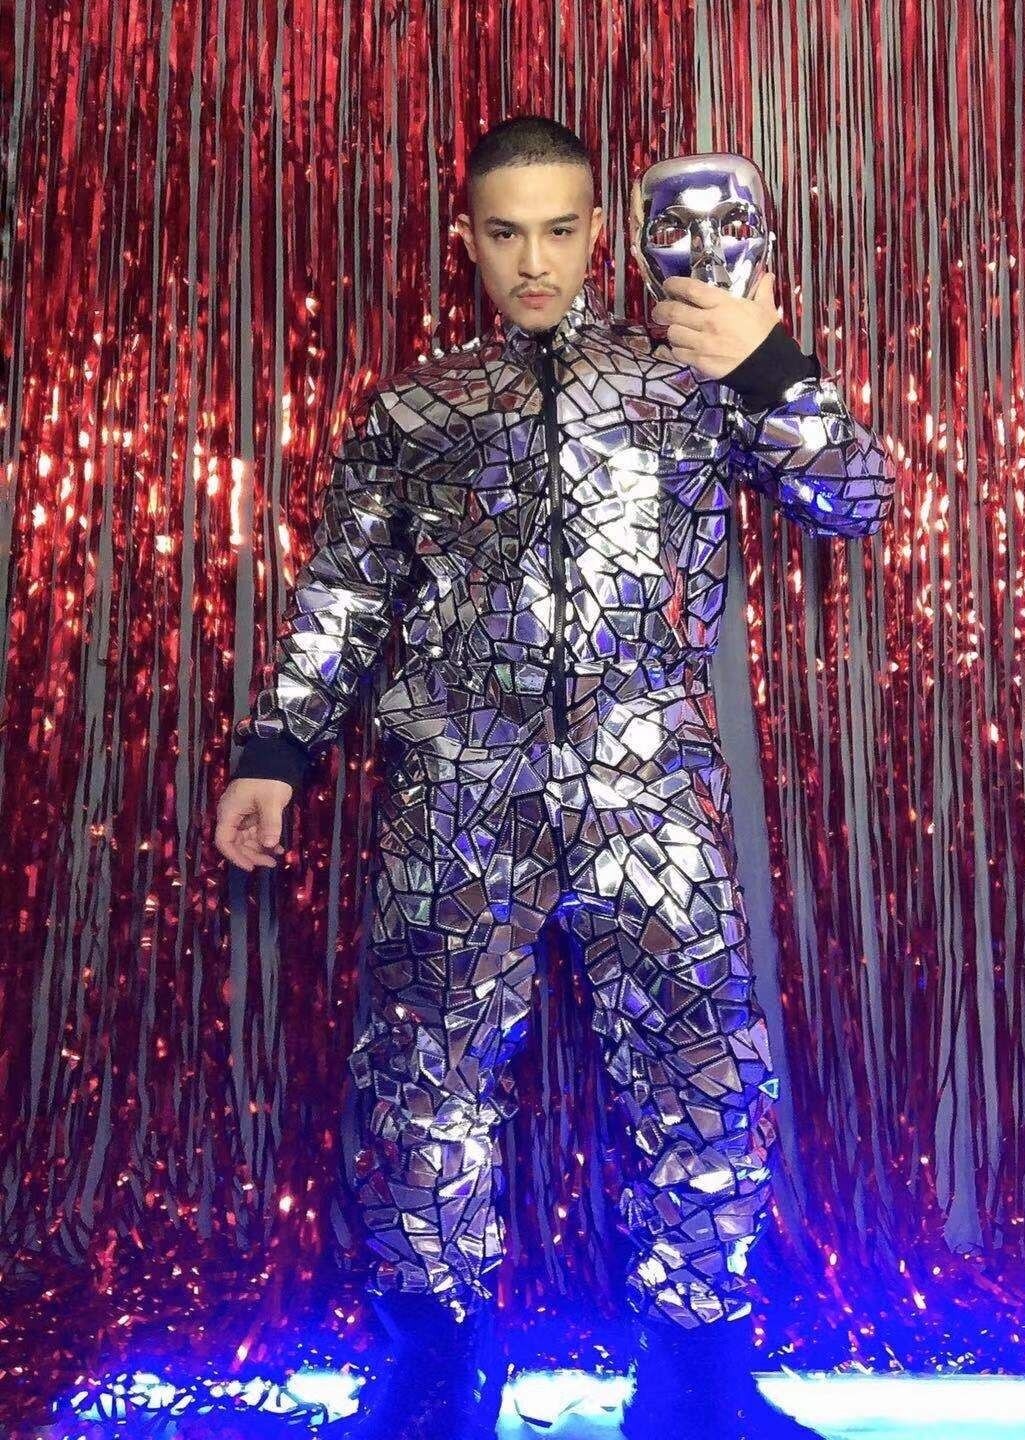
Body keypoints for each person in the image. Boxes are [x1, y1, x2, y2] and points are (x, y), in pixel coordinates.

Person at [214, 115, 895, 1440]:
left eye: (562, 230)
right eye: (506, 232)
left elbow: (856, 497)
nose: (535, 261)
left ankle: (697, 1389)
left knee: (704, 1069)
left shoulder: (691, 376)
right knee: (421, 1080)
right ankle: (434, 1380)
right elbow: (347, 594)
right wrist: (276, 753)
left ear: (601, 236)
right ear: (468, 240)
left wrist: (770, 363)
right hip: (461, 794)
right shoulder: (417, 412)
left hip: (650, 788)